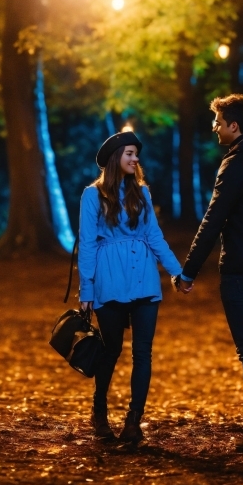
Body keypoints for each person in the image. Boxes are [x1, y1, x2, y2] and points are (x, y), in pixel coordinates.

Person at [178, 94, 243, 454]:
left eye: (218, 122)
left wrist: (188, 271)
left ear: (233, 126)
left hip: (240, 268)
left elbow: (214, 219)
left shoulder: (235, 164)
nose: (214, 128)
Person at [78, 130, 183, 443]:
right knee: (111, 349)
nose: (136, 159)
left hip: (144, 278)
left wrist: (178, 273)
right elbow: (86, 245)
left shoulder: (142, 193)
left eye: (136, 154)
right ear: (115, 159)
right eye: (129, 153)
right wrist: (86, 291)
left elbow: (154, 236)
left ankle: (133, 420)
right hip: (109, 280)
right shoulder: (92, 195)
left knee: (143, 353)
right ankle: (99, 409)